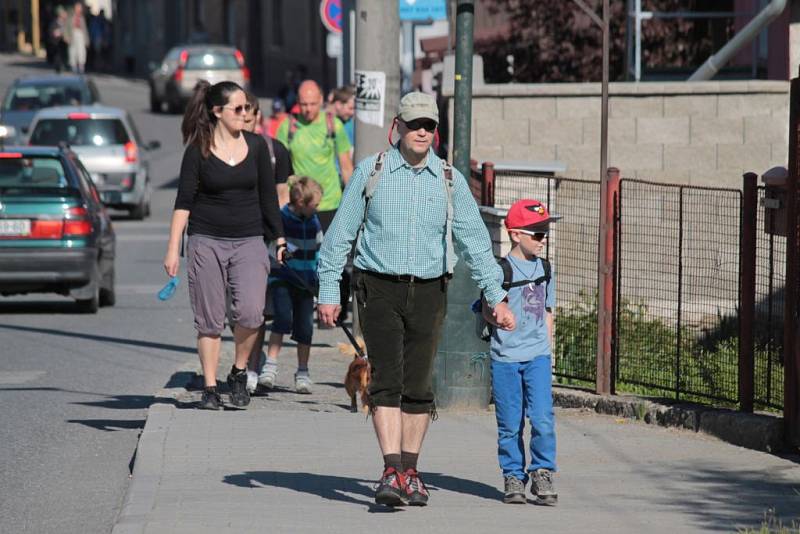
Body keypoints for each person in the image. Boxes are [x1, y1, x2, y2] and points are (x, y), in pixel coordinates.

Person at [317, 91, 516, 507]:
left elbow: (476, 242)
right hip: (378, 287)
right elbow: (339, 236)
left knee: (420, 386)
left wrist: (496, 295)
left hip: (429, 290)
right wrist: (328, 291)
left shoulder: (449, 179)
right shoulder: (371, 172)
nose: (422, 131)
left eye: (429, 125)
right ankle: (390, 470)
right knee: (387, 379)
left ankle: (410, 471)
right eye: (415, 124)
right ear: (398, 128)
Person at [164, 80, 286, 411]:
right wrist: (173, 247)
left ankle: (238, 370)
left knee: (250, 312)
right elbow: (183, 202)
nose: (246, 114)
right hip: (206, 240)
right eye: (239, 108)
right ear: (218, 112)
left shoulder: (258, 147)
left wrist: (279, 238)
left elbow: (267, 198)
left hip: (248, 239)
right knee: (210, 320)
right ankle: (209, 386)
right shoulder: (198, 151)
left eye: (248, 108)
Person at [481, 199, 559, 506]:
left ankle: (542, 472)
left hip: (537, 357)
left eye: (544, 233)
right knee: (510, 423)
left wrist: (547, 348)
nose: (542, 240)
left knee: (542, 419)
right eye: (536, 234)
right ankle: (513, 475)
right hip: (505, 359)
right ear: (515, 234)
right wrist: (497, 316)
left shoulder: (546, 268)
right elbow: (487, 310)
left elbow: (548, 309)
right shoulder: (499, 270)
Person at [276, 80, 353, 322]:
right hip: (299, 206)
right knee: (303, 261)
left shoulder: (333, 125)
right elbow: (280, 172)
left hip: (329, 202)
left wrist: (352, 205)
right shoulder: (287, 127)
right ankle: (304, 310)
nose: (307, 109)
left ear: (321, 101)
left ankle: (334, 310)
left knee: (333, 257)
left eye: (312, 104)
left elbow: (346, 165)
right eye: (303, 104)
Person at [258, 177, 323, 393]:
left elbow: (320, 247)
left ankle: (303, 371)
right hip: (283, 278)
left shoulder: (314, 222)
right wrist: (284, 253)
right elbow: (270, 246)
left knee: (305, 328)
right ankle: (270, 366)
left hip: (307, 282)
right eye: (315, 205)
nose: (318, 209)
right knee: (282, 319)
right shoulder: (282, 219)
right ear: (301, 203)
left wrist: (320, 273)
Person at [64, 2, 89, 74]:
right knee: (72, 51)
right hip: (73, 34)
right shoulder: (70, 17)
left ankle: (81, 67)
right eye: (77, 8)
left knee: (81, 52)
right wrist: (66, 37)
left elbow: (85, 29)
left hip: (80, 35)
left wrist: (87, 40)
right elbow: (66, 28)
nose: (79, 9)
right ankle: (73, 67)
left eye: (80, 8)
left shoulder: (82, 18)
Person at [48, 6, 68, 73]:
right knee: (58, 59)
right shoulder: (54, 23)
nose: (65, 14)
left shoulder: (66, 23)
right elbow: (52, 33)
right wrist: (58, 33)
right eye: (63, 13)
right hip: (57, 45)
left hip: (64, 45)